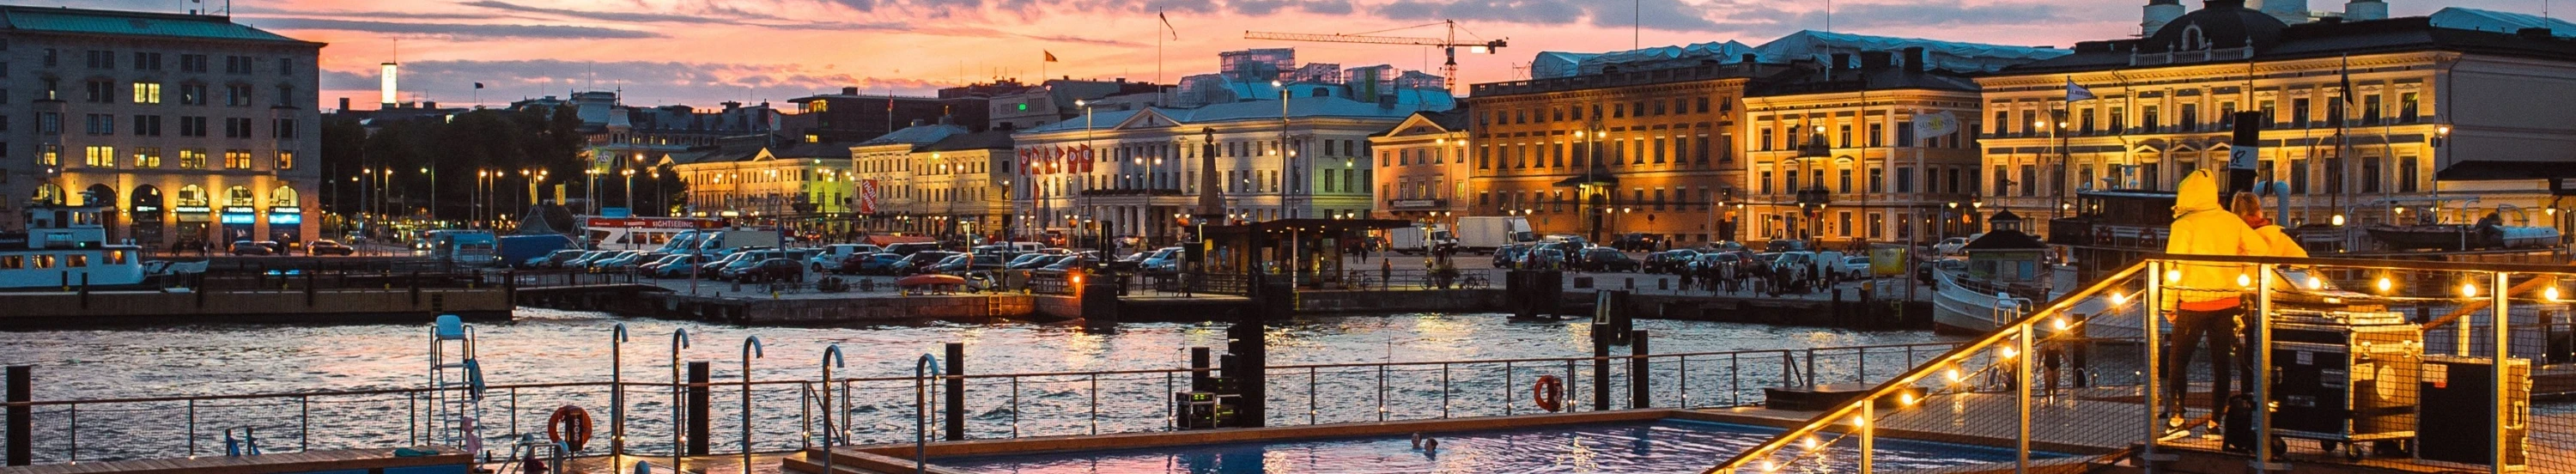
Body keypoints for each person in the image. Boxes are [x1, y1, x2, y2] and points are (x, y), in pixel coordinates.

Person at [2160, 171, 2273, 433]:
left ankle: (2177, 419)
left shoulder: (2184, 225)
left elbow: (2173, 266)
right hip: (2227, 301)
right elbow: (2260, 249)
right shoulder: (2230, 221)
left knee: (2177, 362)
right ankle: (2215, 423)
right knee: (2221, 365)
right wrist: (2239, 264)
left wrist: (2168, 303)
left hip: (2193, 302)